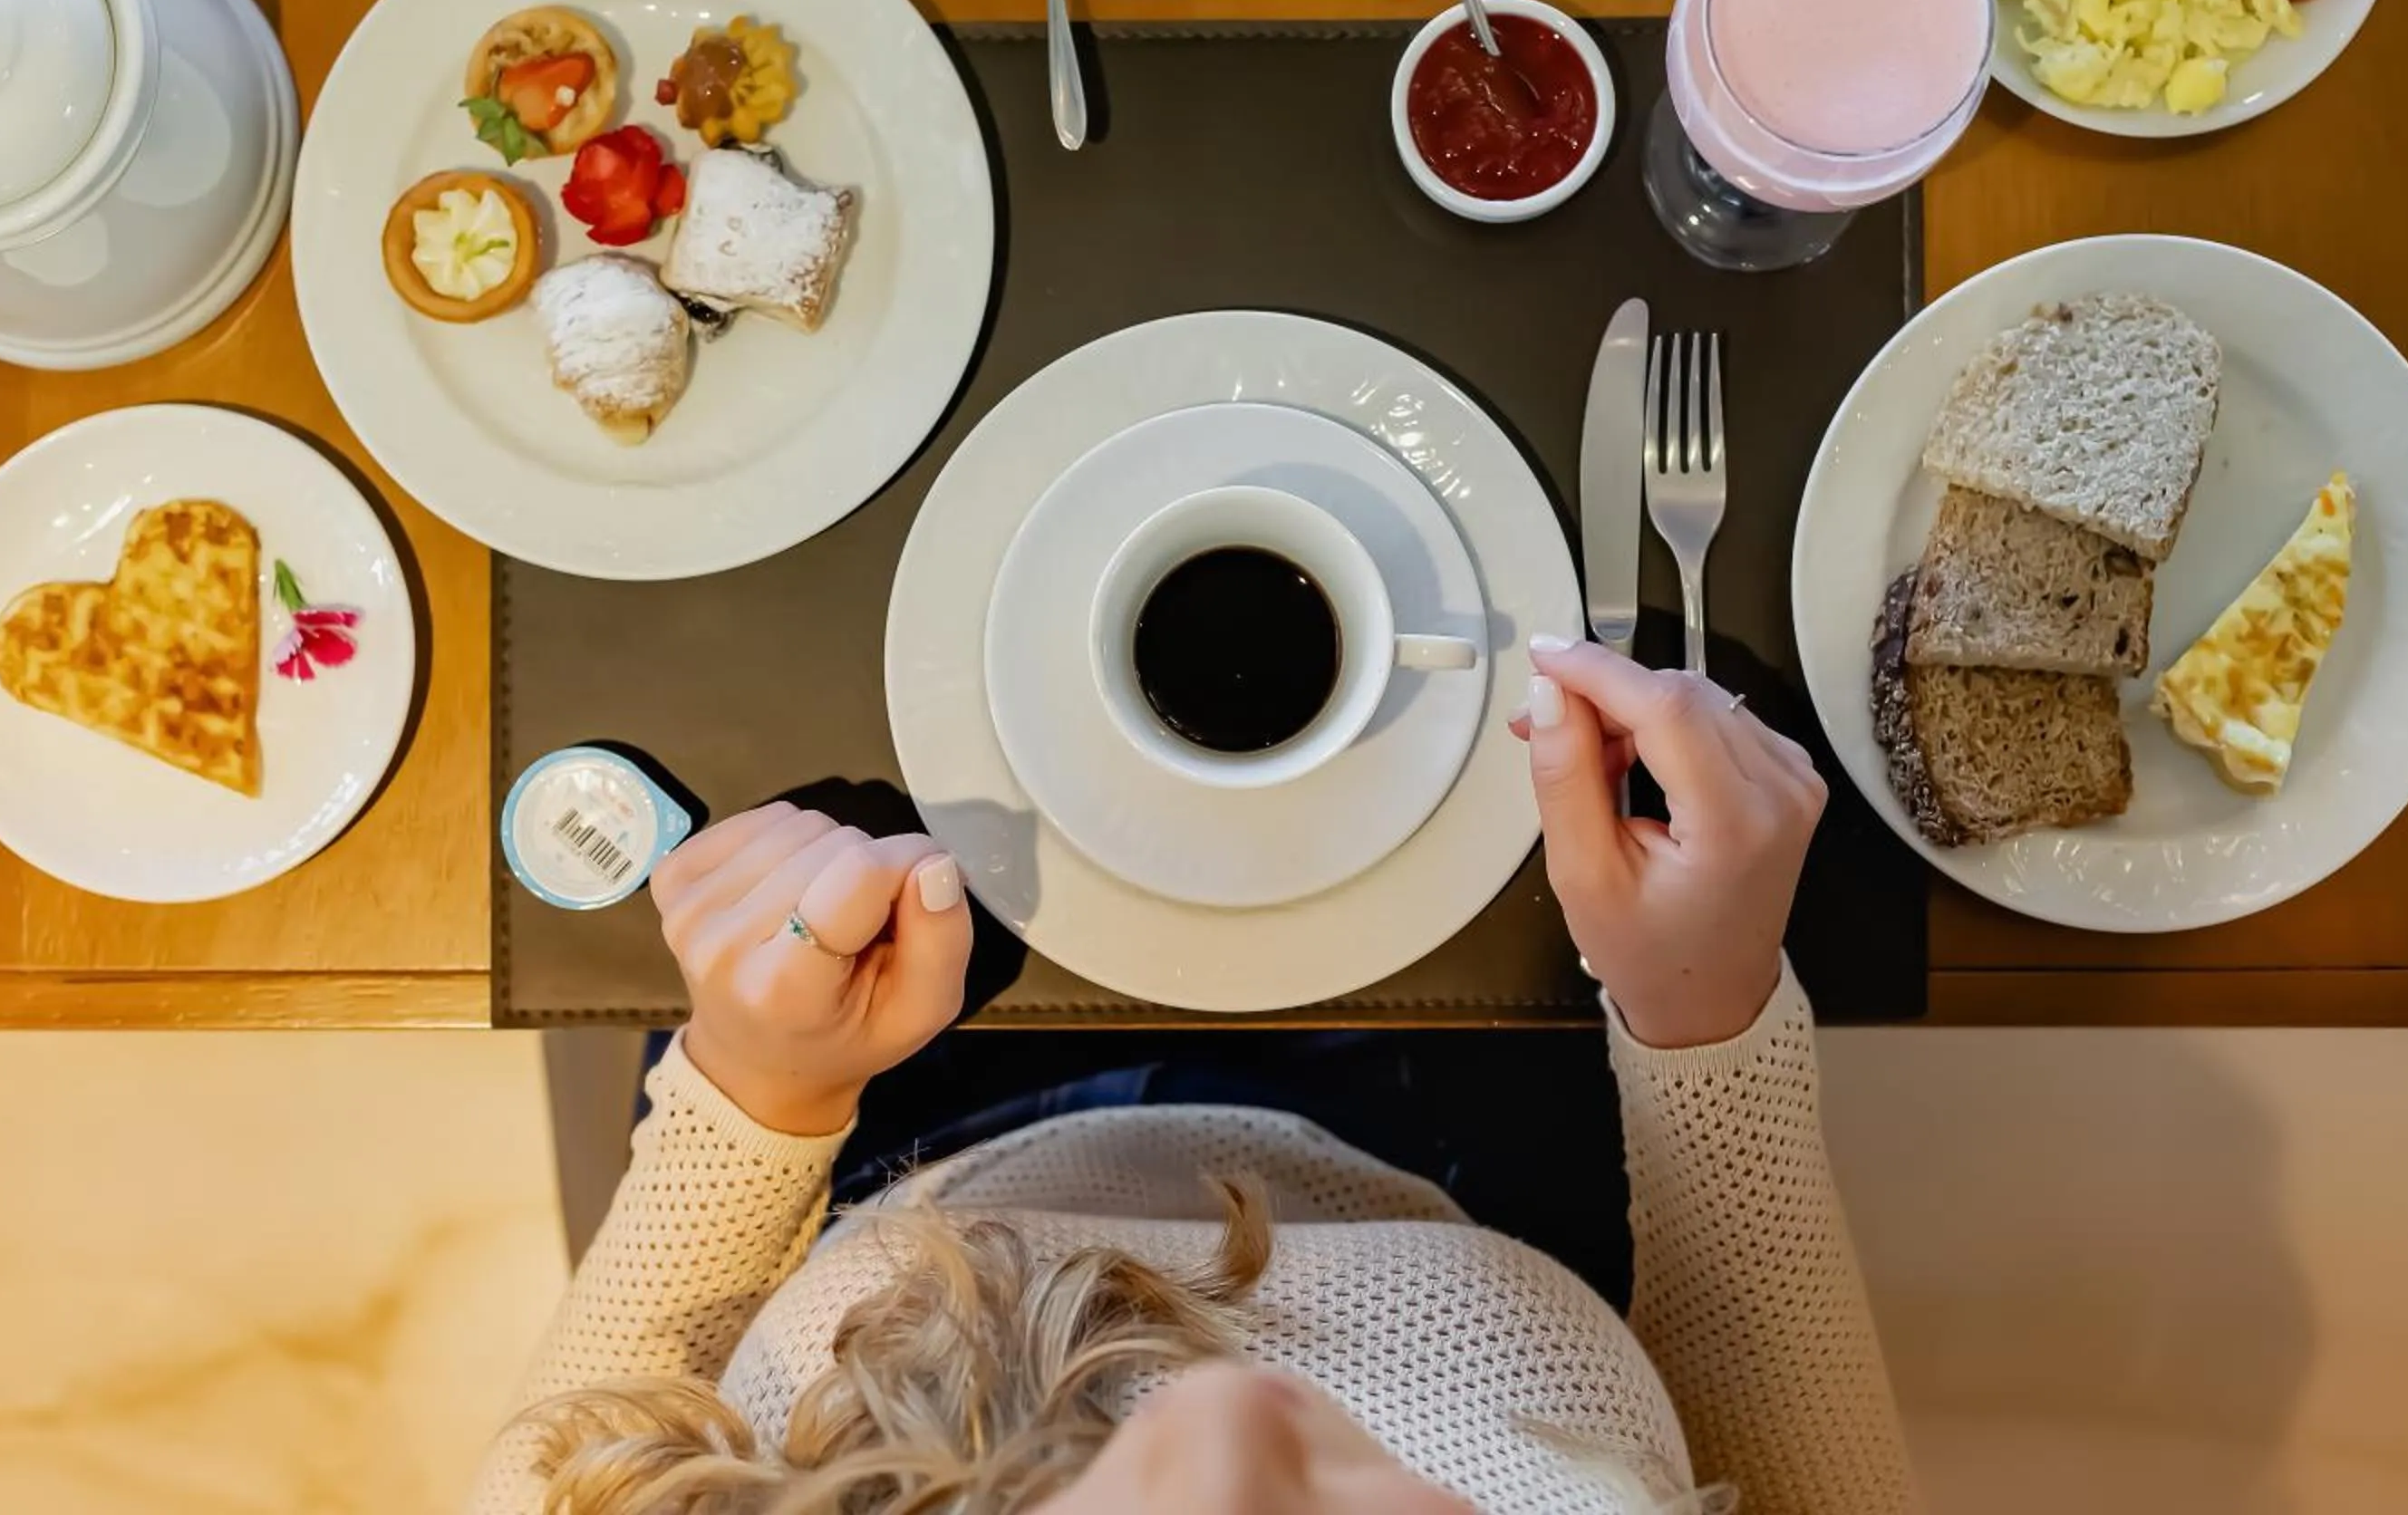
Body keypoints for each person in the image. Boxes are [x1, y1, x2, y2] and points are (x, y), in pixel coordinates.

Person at [470, 641, 1918, 1514]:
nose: (1220, 1419)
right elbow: (1766, 1441)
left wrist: (755, 1092)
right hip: (1474, 1172)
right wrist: (1705, 1016)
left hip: (891, 1110)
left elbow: (596, 1439)